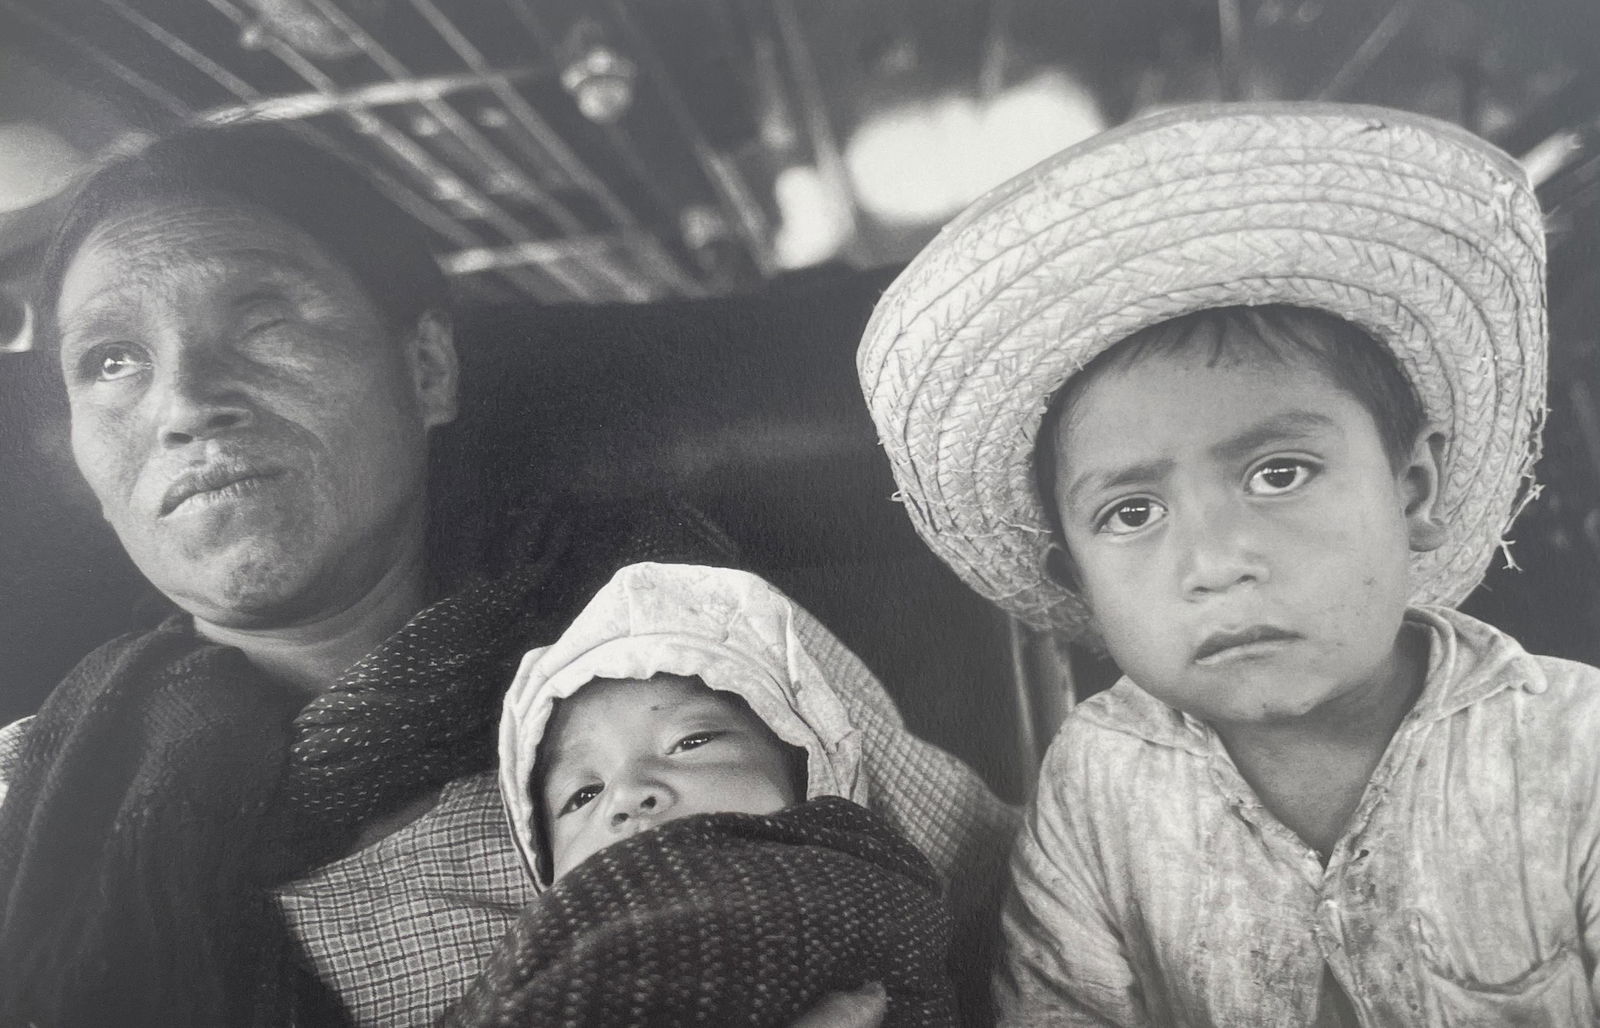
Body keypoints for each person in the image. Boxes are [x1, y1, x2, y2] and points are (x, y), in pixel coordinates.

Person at [0, 125, 1017, 1028]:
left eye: (265, 319)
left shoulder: (705, 658)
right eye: (111, 362)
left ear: (427, 370)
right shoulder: (31, 798)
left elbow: (1018, 951)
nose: (184, 400)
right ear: (84, 462)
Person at [857, 102, 1600, 1025]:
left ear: (1413, 490)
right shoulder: (1098, 785)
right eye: (1132, 512)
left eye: (1279, 473)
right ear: (1072, 573)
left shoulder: (1576, 747)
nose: (1214, 562)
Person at [445, 561, 959, 1026]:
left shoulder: (854, 880)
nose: (628, 793)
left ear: (805, 775)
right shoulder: (540, 957)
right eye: (581, 795)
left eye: (691, 742)